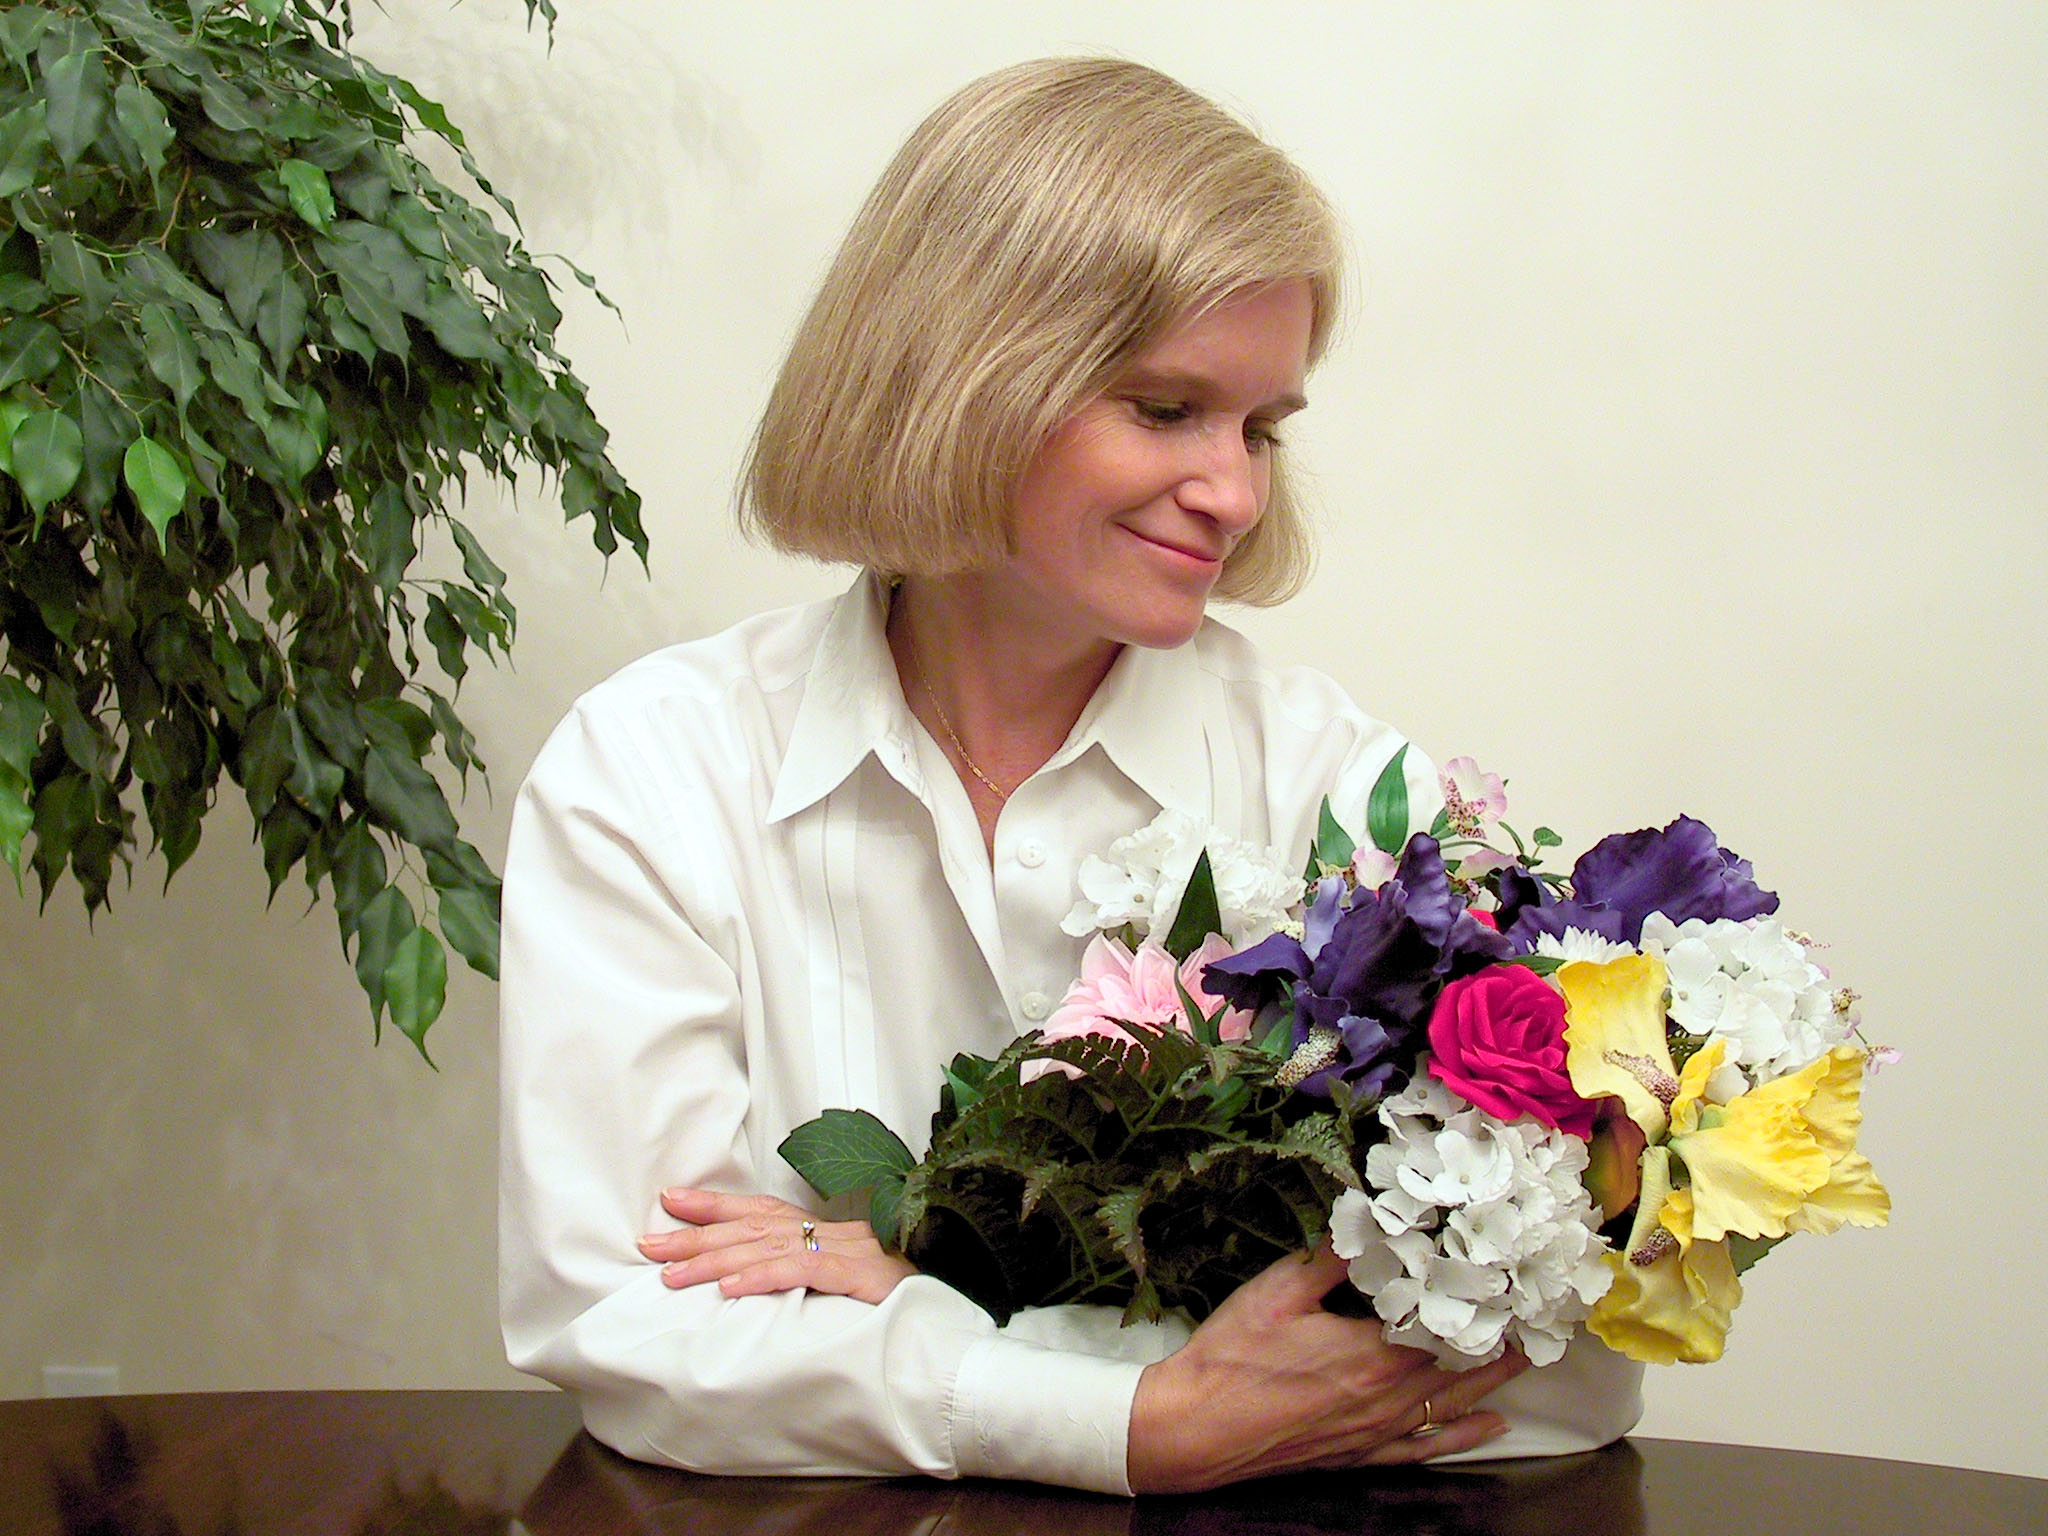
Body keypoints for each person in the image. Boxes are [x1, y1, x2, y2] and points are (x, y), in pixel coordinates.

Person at [498, 57, 1642, 1495]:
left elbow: (1562, 1364)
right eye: (1165, 409)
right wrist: (1157, 1413)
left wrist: (924, 1308)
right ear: (962, 377)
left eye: (1260, 428)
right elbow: (629, 1327)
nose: (1235, 492)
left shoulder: (1344, 794)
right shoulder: (653, 771)